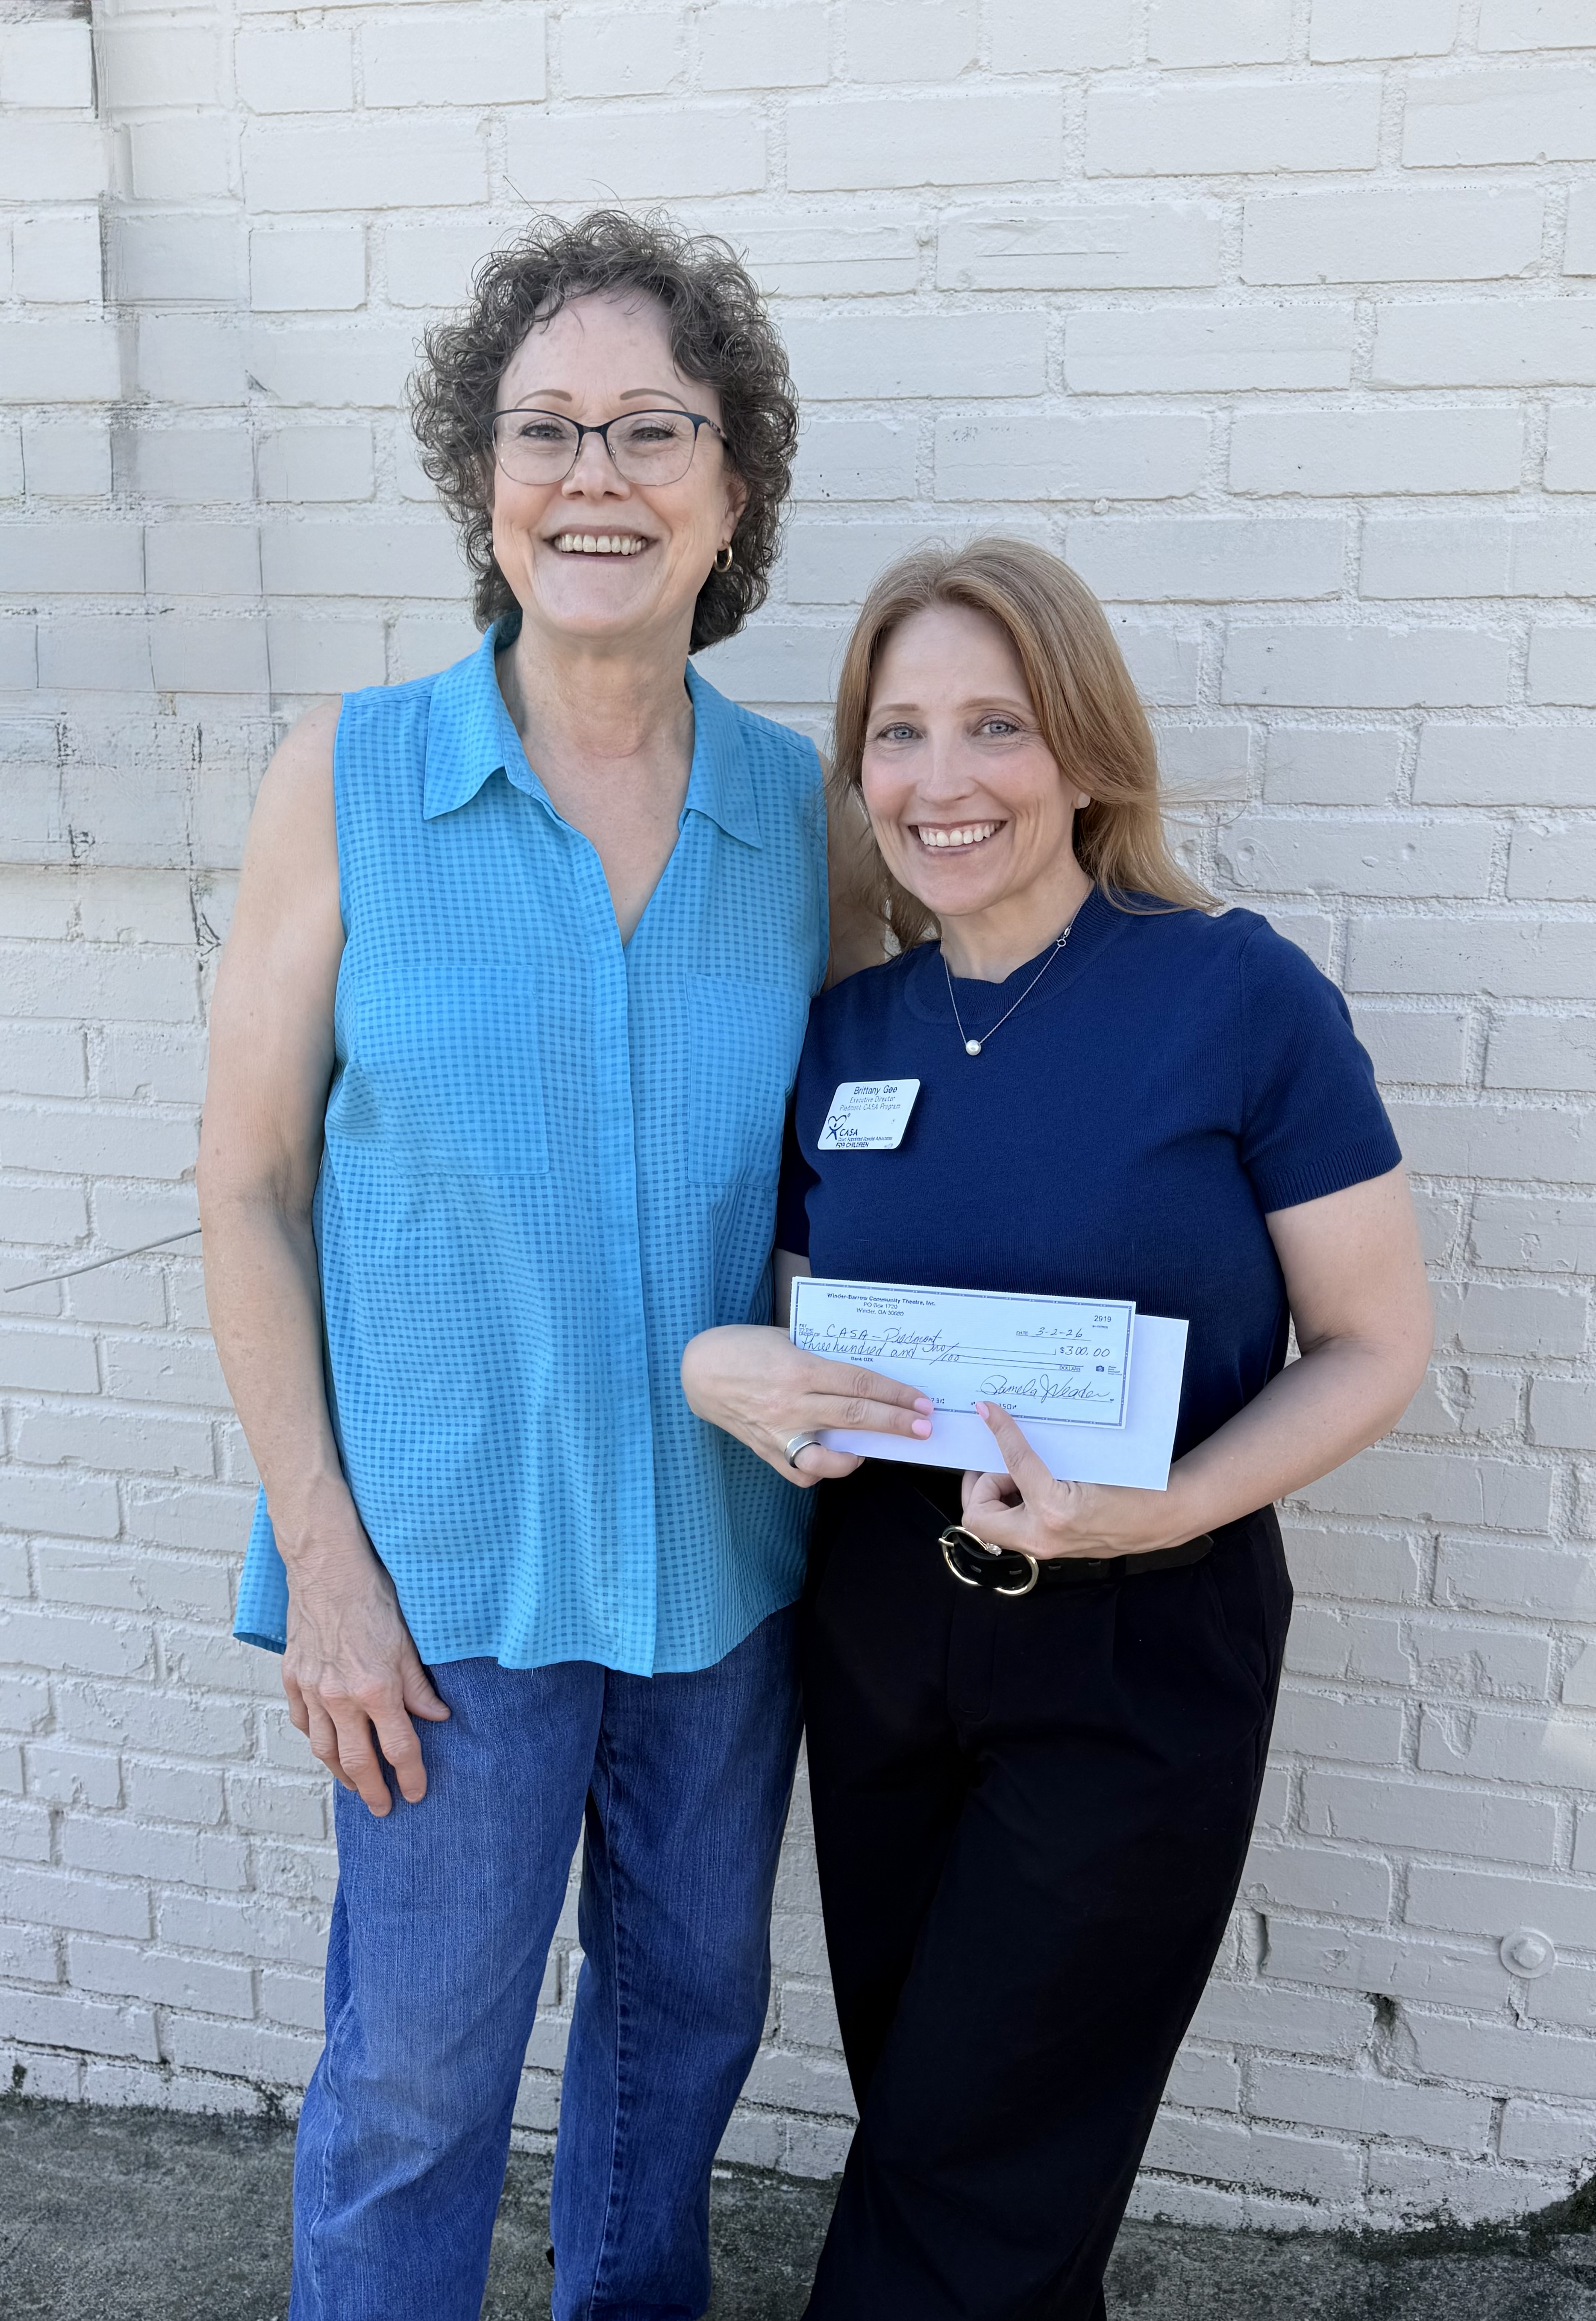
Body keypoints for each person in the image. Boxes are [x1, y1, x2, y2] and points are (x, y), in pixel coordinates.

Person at [197, 210, 916, 2321]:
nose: (593, 475)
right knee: (418, 2080)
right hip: (438, 1583)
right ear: (481, 476)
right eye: (545, 428)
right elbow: (246, 1186)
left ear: (733, 488)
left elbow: (859, 1186)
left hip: (723, 1574)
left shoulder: (806, 814)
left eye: (652, 428)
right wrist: (322, 1560)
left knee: (683, 2041)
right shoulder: (349, 778)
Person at [682, 538, 1434, 2321]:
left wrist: (1165, 1507)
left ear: (1086, 751)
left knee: (966, 2178)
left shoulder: (1234, 996)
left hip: (1137, 1640)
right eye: (897, 732)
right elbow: (818, 1334)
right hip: (880, 1632)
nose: (939, 779)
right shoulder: (841, 1035)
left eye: (995, 725)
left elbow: (1373, 1342)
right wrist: (734, 1377)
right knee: (955, 2132)